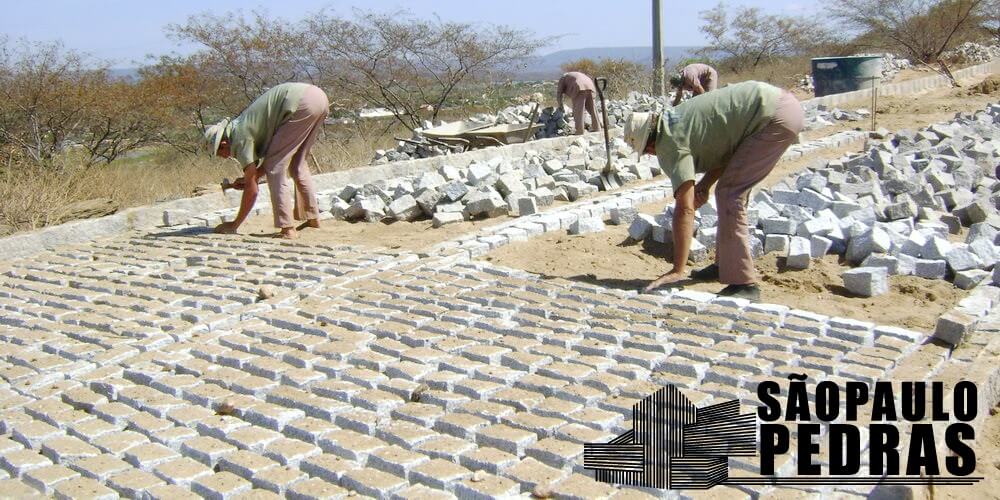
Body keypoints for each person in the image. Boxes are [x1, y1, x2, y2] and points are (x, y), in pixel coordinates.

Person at [625, 81, 803, 301]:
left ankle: (744, 284)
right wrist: (705, 184)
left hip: (772, 119)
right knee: (727, 190)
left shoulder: (668, 143)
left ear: (650, 145)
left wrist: (677, 270)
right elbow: (728, 150)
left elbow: (685, 209)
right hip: (780, 106)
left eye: (648, 152)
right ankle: (725, 265)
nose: (652, 155)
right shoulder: (676, 119)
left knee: (730, 194)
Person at [204, 82, 329, 240]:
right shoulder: (240, 127)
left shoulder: (239, 138)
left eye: (219, 153)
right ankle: (313, 220)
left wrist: (234, 224)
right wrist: (252, 178)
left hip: (299, 104)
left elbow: (253, 189)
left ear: (223, 143)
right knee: (297, 165)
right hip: (319, 98)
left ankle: (287, 229)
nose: (223, 157)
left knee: (276, 169)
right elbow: (264, 166)